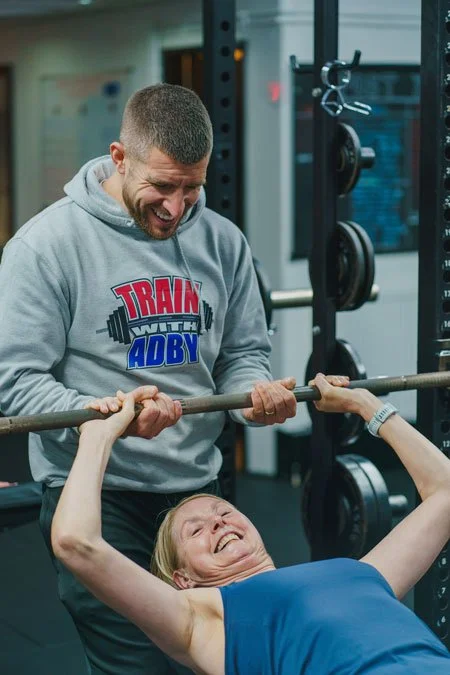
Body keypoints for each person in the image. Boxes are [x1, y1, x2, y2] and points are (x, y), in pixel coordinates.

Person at [0, 83, 297, 674]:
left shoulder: (224, 243)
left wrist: (254, 399)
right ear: (119, 158)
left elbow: (242, 353)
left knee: (231, 656)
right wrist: (113, 420)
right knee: (138, 666)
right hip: (100, 497)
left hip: (199, 492)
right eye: (161, 186)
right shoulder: (45, 246)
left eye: (193, 187)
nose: (176, 206)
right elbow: (16, 383)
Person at [51, 374, 450, 675]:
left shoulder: (366, 573)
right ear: (182, 578)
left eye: (224, 513)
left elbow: (445, 492)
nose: (218, 523)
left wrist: (366, 405)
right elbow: (76, 542)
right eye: (195, 530)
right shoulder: (199, 619)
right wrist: (97, 436)